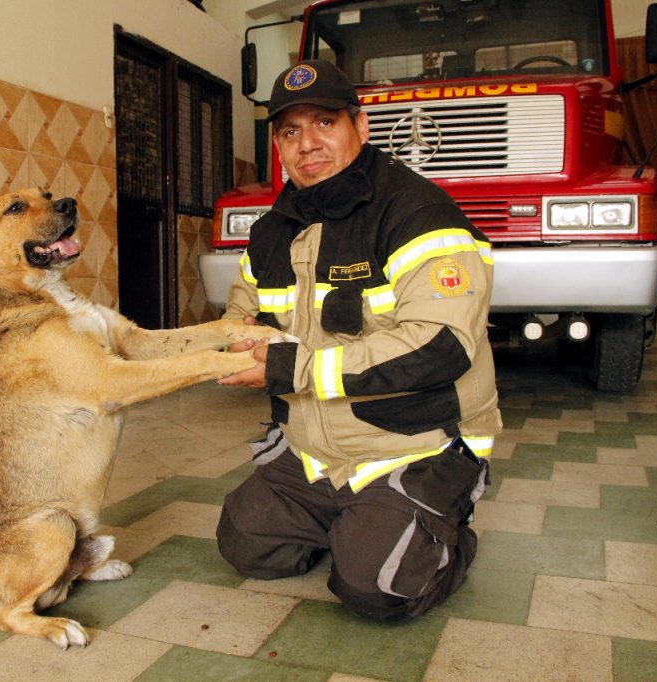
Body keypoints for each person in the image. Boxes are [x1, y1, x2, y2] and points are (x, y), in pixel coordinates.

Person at [215, 60, 501, 623]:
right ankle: (357, 520)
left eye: (324, 123)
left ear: (360, 127)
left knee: (378, 588)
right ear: (277, 145)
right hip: (315, 453)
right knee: (244, 543)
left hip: (411, 446)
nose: (308, 144)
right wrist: (231, 346)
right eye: (291, 132)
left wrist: (291, 368)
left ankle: (444, 536)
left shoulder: (417, 213)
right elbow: (239, 318)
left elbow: (439, 344)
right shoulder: (273, 229)